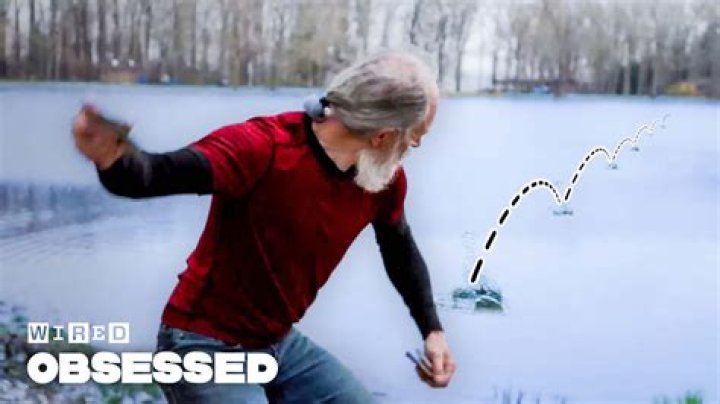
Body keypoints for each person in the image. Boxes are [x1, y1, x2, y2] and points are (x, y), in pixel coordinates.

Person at [73, 50, 456, 403]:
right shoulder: (264, 148)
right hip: (202, 343)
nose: (415, 147)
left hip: (278, 343)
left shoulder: (380, 179)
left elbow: (399, 247)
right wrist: (114, 157)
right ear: (382, 135)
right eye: (415, 137)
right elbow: (154, 175)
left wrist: (432, 330)